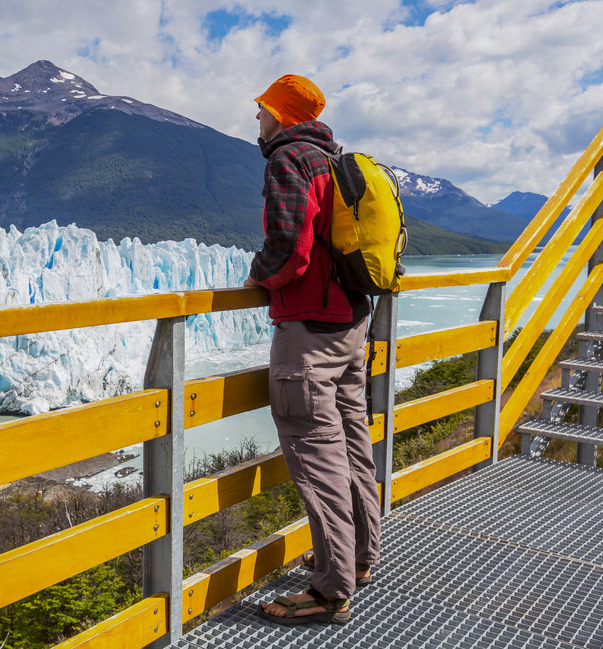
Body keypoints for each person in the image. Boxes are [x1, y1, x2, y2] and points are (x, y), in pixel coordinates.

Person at [244, 74, 381, 626]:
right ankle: (360, 559)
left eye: (261, 111)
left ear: (281, 114)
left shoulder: (289, 160)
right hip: (351, 327)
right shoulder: (333, 159)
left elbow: (289, 248)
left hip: (310, 332)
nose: (257, 120)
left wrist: (257, 275)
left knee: (315, 455)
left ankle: (330, 592)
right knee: (351, 445)